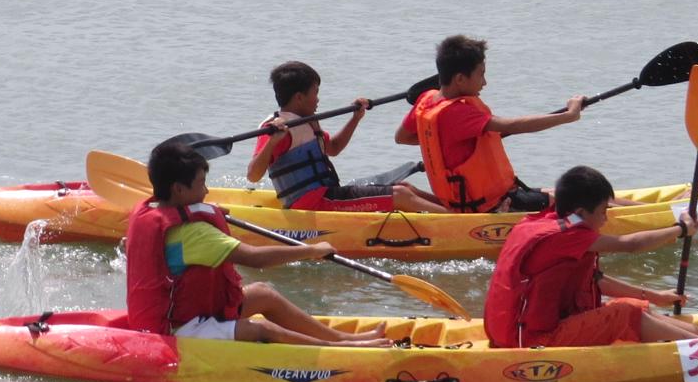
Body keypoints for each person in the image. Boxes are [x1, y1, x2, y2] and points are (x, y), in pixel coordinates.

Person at [123, 139, 393, 347]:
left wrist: (207, 211)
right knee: (259, 329)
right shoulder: (193, 235)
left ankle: (342, 339)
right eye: (201, 184)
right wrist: (311, 250)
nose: (205, 191)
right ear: (178, 190)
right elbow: (256, 258)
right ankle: (337, 351)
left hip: (180, 312)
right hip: (177, 328)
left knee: (263, 293)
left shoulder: (151, 211)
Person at [484, 165, 698, 348]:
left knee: (635, 305)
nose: (606, 219)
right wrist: (679, 229)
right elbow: (630, 245)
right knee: (624, 313)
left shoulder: (548, 224)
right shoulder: (567, 235)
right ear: (581, 213)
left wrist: (655, 295)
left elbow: (594, 279)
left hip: (521, 333)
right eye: (602, 212)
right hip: (532, 343)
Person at [395, 35, 583, 213]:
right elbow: (512, 125)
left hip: (463, 199)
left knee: (562, 191)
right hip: (490, 205)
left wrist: (444, 140)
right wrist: (569, 115)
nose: (484, 82)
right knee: (583, 201)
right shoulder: (458, 112)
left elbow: (402, 137)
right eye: (481, 74)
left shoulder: (426, 101)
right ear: (460, 79)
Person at [245, 60, 440, 213]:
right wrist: (272, 141)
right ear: (299, 97)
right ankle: (463, 225)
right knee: (400, 195)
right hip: (312, 204)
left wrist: (356, 118)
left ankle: (460, 211)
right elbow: (253, 176)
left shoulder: (307, 122)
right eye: (315, 92)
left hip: (327, 195)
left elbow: (334, 148)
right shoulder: (276, 128)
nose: (318, 99)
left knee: (403, 186)